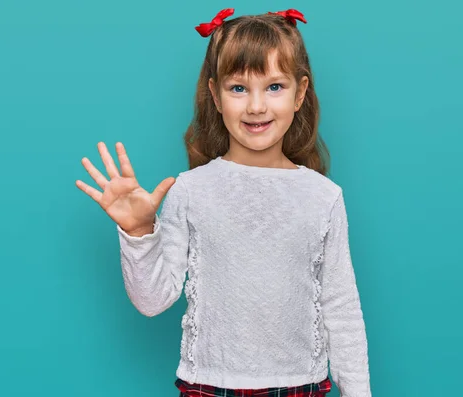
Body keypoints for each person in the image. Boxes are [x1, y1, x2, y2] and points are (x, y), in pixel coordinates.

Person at [76, 7, 372, 397]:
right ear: (215, 95)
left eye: (274, 87)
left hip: (299, 385)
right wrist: (138, 233)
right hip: (208, 386)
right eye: (238, 88)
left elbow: (342, 309)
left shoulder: (323, 197)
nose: (256, 106)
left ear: (300, 93)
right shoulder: (191, 189)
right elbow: (153, 300)